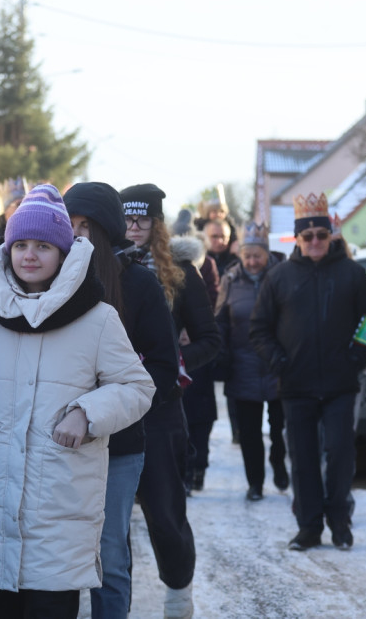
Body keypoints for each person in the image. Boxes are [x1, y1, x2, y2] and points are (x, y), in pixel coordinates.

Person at [0, 183, 155, 619]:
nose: (30, 255)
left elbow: (138, 387)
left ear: (64, 253)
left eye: (43, 245)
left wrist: (88, 413)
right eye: (21, 244)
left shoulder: (97, 318)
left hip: (60, 505)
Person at [63, 182, 179, 619]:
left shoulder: (139, 283)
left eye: (86, 226)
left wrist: (114, 403)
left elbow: (165, 368)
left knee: (109, 554)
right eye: (69, 223)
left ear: (106, 232)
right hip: (59, 442)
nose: (76, 234)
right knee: (60, 555)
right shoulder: (48, 278)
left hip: (120, 445)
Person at [250, 192, 366, 551]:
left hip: (341, 385)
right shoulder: (278, 278)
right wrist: (279, 361)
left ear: (331, 236)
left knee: (340, 456)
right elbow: (259, 329)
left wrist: (355, 359)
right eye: (307, 236)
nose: (314, 242)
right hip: (295, 386)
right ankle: (308, 527)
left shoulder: (354, 275)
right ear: (297, 238)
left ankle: (340, 522)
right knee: (303, 459)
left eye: (321, 236)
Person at [118, 183, 219, 618]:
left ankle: (179, 594)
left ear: (157, 225)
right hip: (112, 410)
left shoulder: (180, 271)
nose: (134, 227)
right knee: (109, 519)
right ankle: (112, 600)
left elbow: (211, 341)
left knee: (165, 512)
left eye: (143, 219)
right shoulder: (99, 267)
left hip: (160, 411)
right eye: (127, 218)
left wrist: (178, 361)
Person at [214, 221, 288, 501]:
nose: (252, 262)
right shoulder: (230, 280)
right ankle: (254, 483)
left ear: (267, 254)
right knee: (249, 433)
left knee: (279, 428)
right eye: (247, 256)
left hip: (277, 363)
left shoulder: (283, 276)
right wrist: (219, 349)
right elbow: (220, 319)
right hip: (242, 365)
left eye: (257, 256)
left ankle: (279, 461)